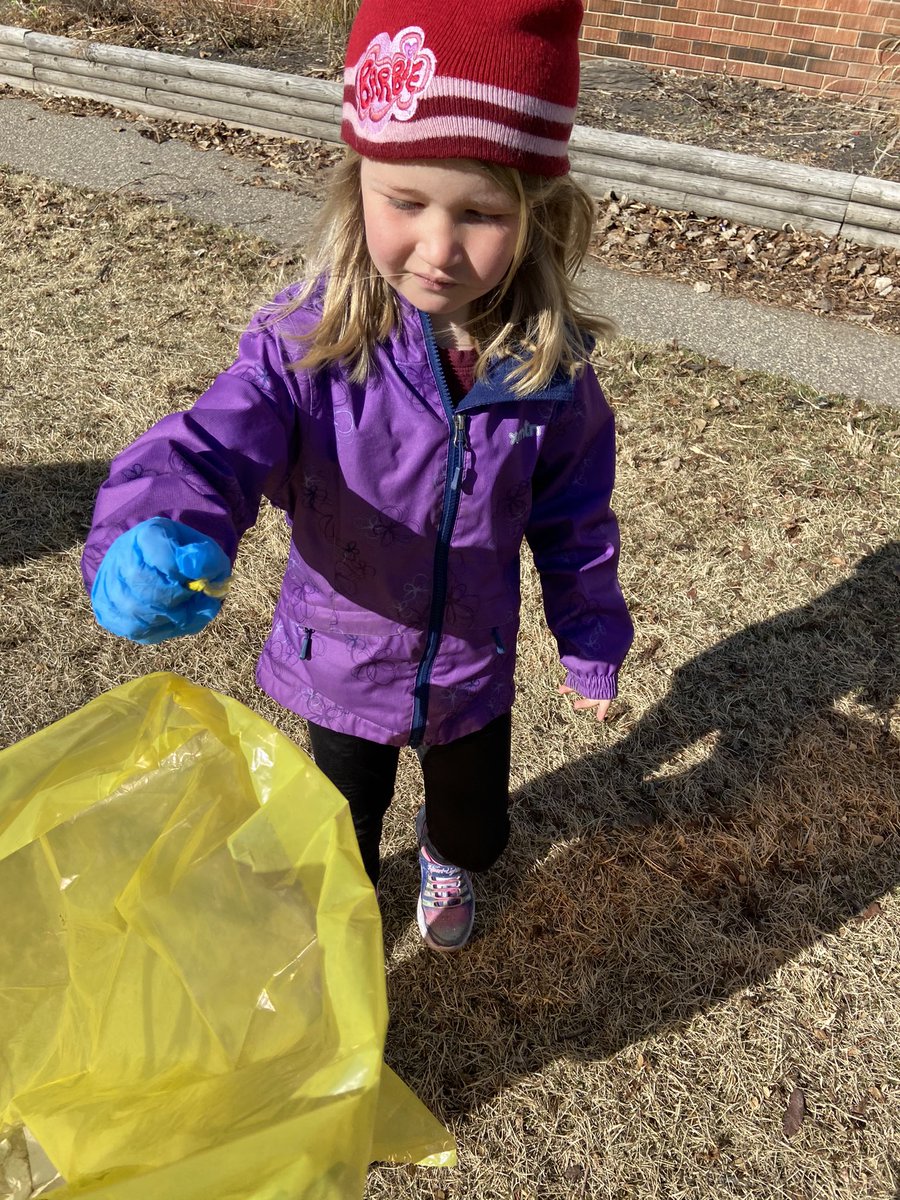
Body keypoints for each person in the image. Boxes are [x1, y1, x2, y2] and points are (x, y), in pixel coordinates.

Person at [81, 0, 634, 952]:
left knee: (476, 823)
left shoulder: (550, 372)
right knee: (337, 826)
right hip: (341, 658)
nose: (437, 248)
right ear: (357, 185)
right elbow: (210, 444)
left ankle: (446, 858)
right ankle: (340, 922)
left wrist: (589, 631)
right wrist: (157, 525)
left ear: (537, 216)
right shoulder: (307, 347)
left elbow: (575, 518)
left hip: (471, 667)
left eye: (482, 213)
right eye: (405, 201)